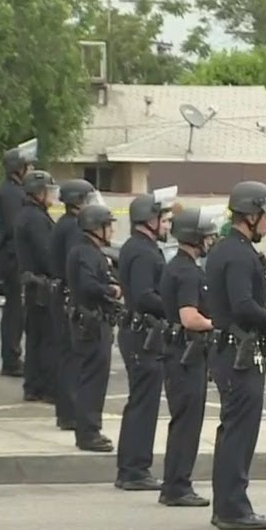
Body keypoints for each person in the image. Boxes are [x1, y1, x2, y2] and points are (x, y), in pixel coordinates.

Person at [205, 181, 266, 530]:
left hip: (233, 350)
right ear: (251, 215)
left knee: (234, 429)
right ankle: (232, 507)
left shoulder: (227, 249)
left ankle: (230, 503)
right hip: (239, 354)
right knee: (239, 432)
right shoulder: (239, 254)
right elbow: (242, 306)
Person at [158, 205, 223, 508]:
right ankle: (177, 487)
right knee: (186, 422)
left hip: (182, 353)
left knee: (184, 421)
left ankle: (176, 484)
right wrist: (219, 323)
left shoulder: (182, 266)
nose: (210, 240)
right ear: (194, 237)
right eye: (207, 235)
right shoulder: (185, 272)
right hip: (185, 354)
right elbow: (190, 318)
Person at [114, 187, 177, 492]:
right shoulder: (140, 251)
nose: (167, 225)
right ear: (148, 220)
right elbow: (143, 296)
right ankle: (133, 469)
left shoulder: (143, 248)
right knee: (143, 403)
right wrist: (174, 304)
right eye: (162, 219)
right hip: (142, 335)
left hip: (143, 334)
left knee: (143, 401)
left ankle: (134, 466)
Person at [49, 179, 105, 432]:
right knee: (73, 359)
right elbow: (81, 268)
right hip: (71, 298)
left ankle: (68, 412)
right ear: (77, 201)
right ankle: (71, 412)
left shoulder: (64, 223)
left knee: (68, 356)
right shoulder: (74, 229)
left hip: (61, 294)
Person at [66, 204, 123, 453]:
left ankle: (89, 429)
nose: (111, 230)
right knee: (93, 379)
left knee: (91, 376)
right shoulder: (87, 253)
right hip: (91, 322)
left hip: (90, 320)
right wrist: (111, 290)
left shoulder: (87, 251)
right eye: (108, 225)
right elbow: (89, 285)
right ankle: (89, 432)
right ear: (96, 227)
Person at [15, 170, 61, 404]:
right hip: (41, 286)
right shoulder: (35, 218)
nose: (51, 196)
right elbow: (46, 254)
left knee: (35, 338)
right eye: (48, 191)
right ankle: (48, 388)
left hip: (33, 286)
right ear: (38, 193)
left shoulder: (29, 214)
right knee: (47, 338)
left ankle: (33, 386)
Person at [0, 142, 36, 378]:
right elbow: (15, 227)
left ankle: (12, 356)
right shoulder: (11, 193)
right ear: (18, 170)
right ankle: (11, 359)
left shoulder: (14, 191)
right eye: (27, 167)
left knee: (16, 309)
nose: (30, 171)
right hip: (13, 258)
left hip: (13, 256)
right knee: (14, 310)